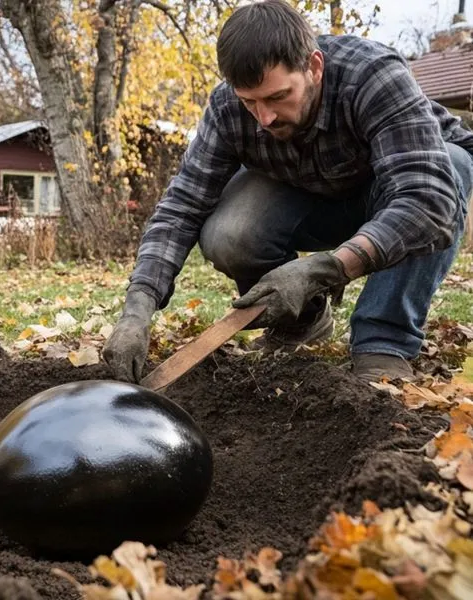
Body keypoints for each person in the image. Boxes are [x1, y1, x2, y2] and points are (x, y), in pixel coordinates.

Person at [103, 0, 473, 383]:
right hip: (311, 197)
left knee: (452, 167)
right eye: (250, 102)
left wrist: (326, 269)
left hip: (393, 194)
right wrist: (137, 309)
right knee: (229, 233)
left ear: (314, 67)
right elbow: (181, 206)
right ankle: (303, 320)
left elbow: (427, 202)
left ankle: (383, 340)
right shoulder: (228, 107)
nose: (264, 118)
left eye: (278, 97)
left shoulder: (372, 76)